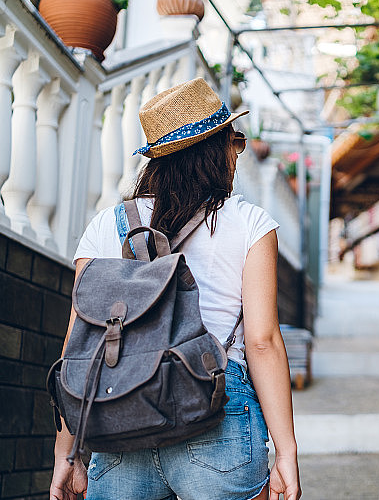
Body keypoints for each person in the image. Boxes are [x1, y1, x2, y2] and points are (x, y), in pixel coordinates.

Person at [50, 78, 301, 500]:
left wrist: (67, 455)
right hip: (216, 412)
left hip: (120, 416)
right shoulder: (250, 224)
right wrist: (287, 452)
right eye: (234, 141)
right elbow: (262, 343)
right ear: (215, 149)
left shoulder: (105, 227)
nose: (237, 152)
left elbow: (78, 351)